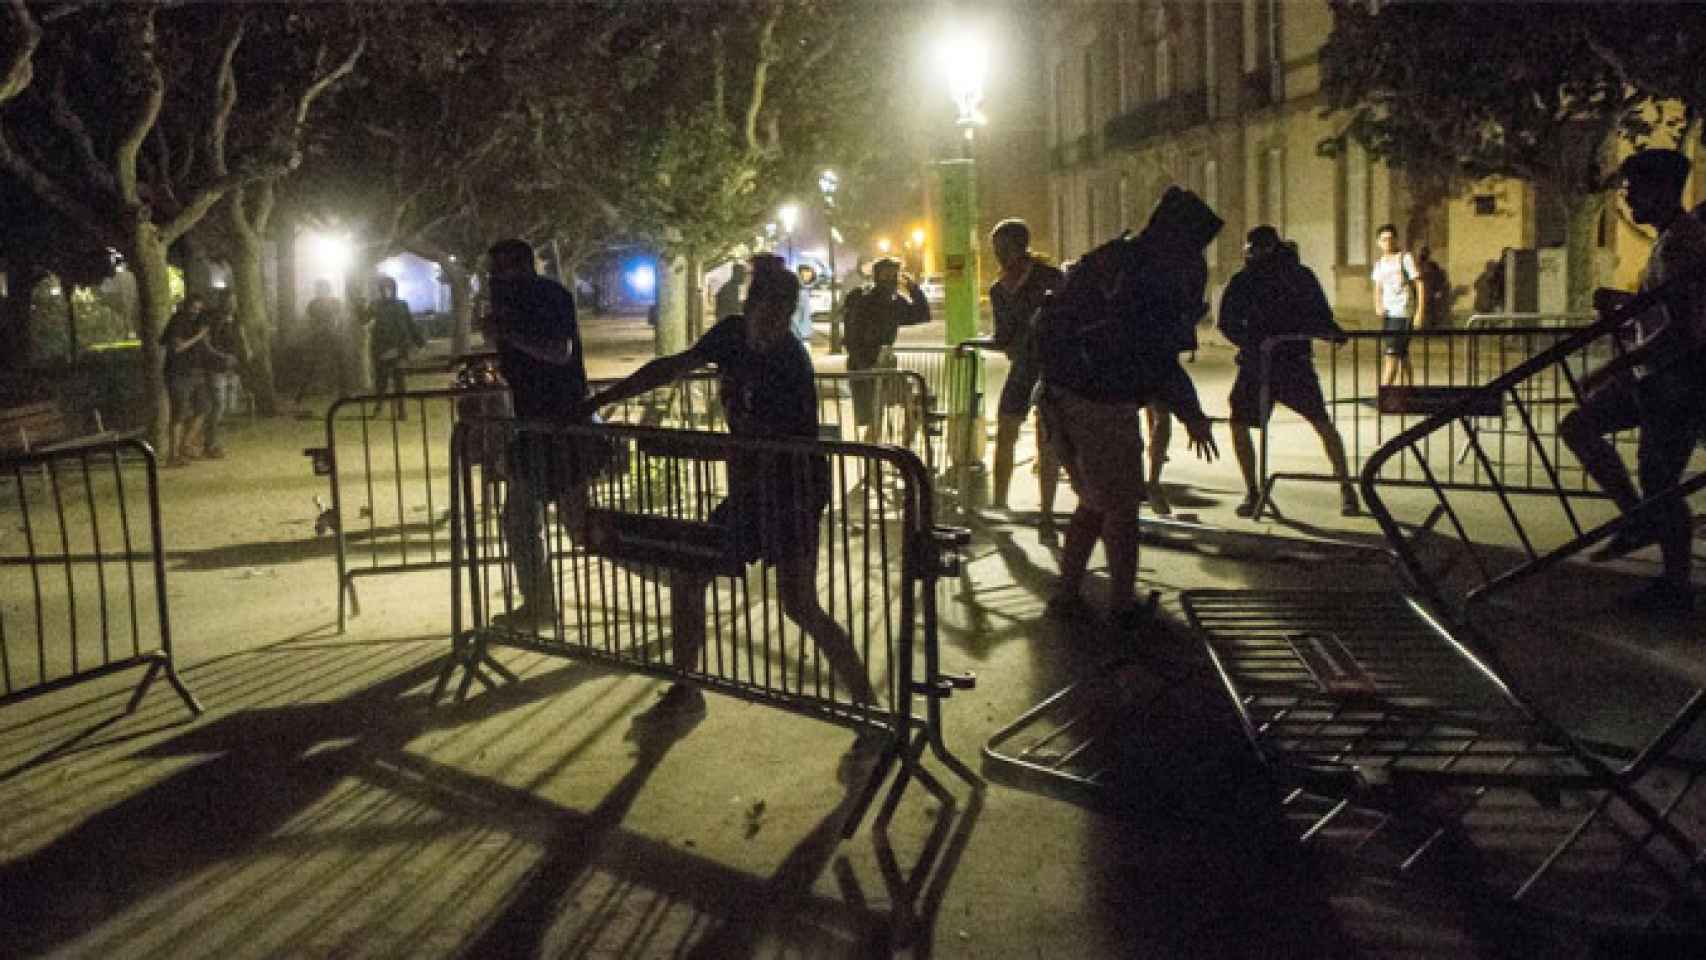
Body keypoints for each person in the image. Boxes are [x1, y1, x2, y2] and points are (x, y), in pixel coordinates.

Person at [577, 258, 879, 720]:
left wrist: (687, 449)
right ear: (750, 306)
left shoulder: (790, 363)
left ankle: (869, 705)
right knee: (689, 573)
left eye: (780, 318)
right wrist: (603, 399)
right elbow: (673, 367)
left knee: (799, 604)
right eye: (763, 314)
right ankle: (685, 685)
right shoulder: (731, 334)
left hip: (793, 489)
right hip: (750, 491)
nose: (769, 328)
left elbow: (768, 445)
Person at [1034, 189, 1220, 630]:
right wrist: (1191, 412)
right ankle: (1120, 605)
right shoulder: (1149, 275)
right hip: (1099, 397)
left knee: (1094, 501)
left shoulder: (1117, 258)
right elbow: (1156, 354)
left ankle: (1068, 592)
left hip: (1064, 389)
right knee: (1121, 507)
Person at [1559, 148, 1706, 614]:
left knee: (1660, 475)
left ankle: (1675, 580)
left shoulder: (1685, 242)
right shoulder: (1670, 240)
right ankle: (1639, 519)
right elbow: (1665, 307)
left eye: (1633, 190)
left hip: (1678, 379)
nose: (1626, 200)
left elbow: (1682, 328)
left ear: (1662, 190)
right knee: (1581, 428)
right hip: (1657, 376)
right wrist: (1625, 302)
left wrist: (1611, 368)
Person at [481, 237, 592, 630]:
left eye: (500, 270)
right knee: (519, 519)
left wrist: (508, 335)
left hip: (560, 424)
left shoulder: (549, 296)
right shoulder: (512, 302)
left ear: (521, 267)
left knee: (582, 527)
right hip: (534, 427)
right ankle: (539, 603)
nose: (494, 279)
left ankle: (675, 573)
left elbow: (559, 351)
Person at [1218, 226, 1359, 519]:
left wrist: (1251, 343)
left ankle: (1254, 491)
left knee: (1245, 423)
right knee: (1319, 423)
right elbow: (1318, 314)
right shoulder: (1296, 275)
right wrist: (1329, 332)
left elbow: (1228, 321)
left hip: (1269, 362)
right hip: (1283, 361)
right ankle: (1346, 488)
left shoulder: (1254, 278)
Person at [1133, 188, 1215, 516]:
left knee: (1157, 412)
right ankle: (1142, 485)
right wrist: (1192, 414)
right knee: (1139, 414)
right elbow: (1161, 362)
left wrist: (1192, 413)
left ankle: (1149, 483)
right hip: (1122, 357)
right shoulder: (1149, 264)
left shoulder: (1178, 261)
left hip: (1140, 352)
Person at [983, 218, 1066, 522]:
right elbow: (1002, 336)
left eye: (1004, 246)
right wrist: (977, 344)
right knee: (1006, 428)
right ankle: (999, 502)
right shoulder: (998, 289)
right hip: (1022, 366)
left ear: (1021, 246)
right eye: (996, 247)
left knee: (1046, 437)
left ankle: (1046, 510)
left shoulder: (1050, 278)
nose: (999, 254)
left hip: (1052, 365)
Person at [841, 258, 929, 444]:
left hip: (883, 365)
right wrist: (866, 367)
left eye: (895, 275)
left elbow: (921, 314)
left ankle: (902, 450)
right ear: (876, 276)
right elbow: (852, 337)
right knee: (876, 419)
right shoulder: (865, 300)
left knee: (911, 403)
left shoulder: (893, 302)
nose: (892, 280)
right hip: (866, 366)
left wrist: (913, 288)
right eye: (887, 274)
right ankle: (873, 465)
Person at [160, 294, 211, 468]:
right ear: (186, 306)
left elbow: (204, 346)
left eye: (198, 309)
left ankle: (185, 446)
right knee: (178, 414)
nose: (195, 312)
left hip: (196, 372)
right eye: (193, 309)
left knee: (203, 408)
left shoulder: (197, 322)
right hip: (178, 374)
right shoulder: (177, 321)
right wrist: (199, 336)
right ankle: (172, 455)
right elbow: (178, 347)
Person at [1372, 223, 1425, 386]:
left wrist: (1419, 312)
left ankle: (1385, 392)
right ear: (1378, 243)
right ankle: (1409, 391)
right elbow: (1378, 287)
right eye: (1383, 239)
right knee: (1402, 353)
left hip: (1403, 312)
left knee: (1392, 355)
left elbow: (1419, 284)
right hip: (1389, 313)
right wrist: (1378, 305)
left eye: (1390, 239)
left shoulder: (1405, 258)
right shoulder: (1379, 263)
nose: (1387, 242)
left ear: (1396, 240)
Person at [197, 290, 246, 459]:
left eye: (234, 300)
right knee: (218, 405)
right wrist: (221, 356)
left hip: (232, 367)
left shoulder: (236, 318)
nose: (232, 304)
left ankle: (208, 439)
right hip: (216, 367)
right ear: (222, 301)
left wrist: (245, 350)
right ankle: (209, 444)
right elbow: (205, 342)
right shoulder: (212, 318)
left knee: (228, 406)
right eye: (229, 301)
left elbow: (240, 337)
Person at [367, 276, 424, 419]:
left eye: (389, 288)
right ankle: (379, 406)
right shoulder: (376, 305)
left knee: (399, 379)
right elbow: (364, 318)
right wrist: (358, 304)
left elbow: (410, 324)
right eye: (384, 288)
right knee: (381, 380)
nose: (387, 291)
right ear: (380, 290)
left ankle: (401, 409)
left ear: (393, 289)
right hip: (381, 348)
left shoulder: (401, 305)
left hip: (400, 347)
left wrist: (419, 341)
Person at [295, 279, 351, 413]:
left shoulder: (333, 303)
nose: (320, 292)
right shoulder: (314, 304)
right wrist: (316, 330)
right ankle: (301, 393)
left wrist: (336, 328)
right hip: (319, 336)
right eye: (319, 289)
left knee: (341, 362)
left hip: (332, 335)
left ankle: (343, 392)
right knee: (312, 364)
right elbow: (310, 320)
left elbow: (340, 318)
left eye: (322, 289)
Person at [1416, 245, 1450, 329]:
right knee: (1426, 310)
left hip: (1429, 292)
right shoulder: (1418, 265)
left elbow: (1439, 278)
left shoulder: (1431, 265)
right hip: (1423, 292)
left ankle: (1428, 327)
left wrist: (1438, 290)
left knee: (1430, 311)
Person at [791, 263, 817, 345]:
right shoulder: (801, 292)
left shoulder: (805, 291)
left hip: (801, 333)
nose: (807, 277)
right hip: (799, 333)